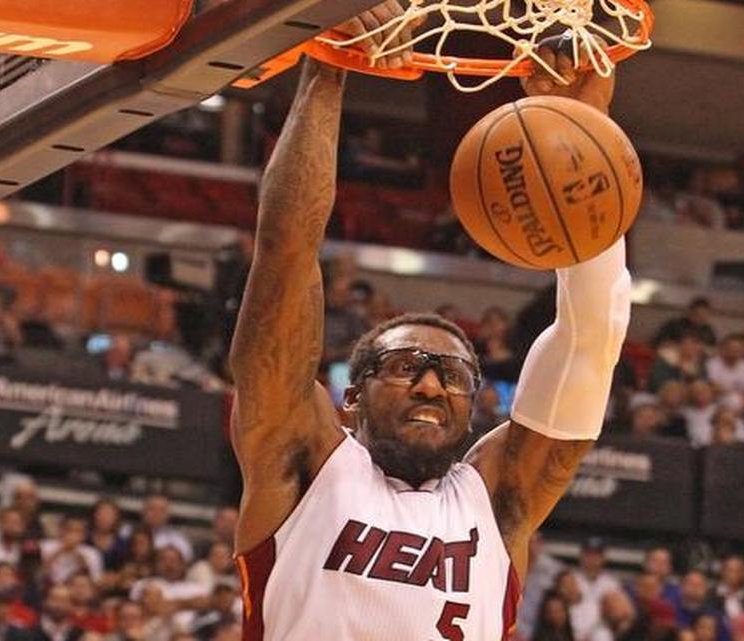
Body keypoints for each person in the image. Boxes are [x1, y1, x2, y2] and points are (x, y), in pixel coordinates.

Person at [228, 10, 633, 641]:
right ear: (350, 396)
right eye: (403, 366)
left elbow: (591, 342)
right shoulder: (305, 464)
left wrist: (583, 133)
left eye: (453, 374)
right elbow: (286, 252)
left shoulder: (495, 501)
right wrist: (329, 65)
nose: (430, 385)